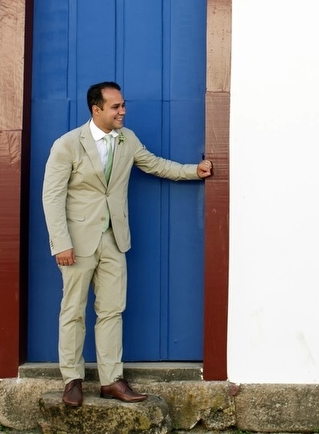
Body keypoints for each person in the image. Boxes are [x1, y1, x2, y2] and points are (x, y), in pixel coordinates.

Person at [42, 81, 212, 407]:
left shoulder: (126, 139)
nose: (123, 111)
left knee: (111, 311)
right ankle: (72, 380)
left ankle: (111, 380)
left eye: (123, 105)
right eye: (115, 107)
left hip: (115, 240)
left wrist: (194, 171)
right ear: (96, 109)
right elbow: (52, 197)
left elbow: (155, 164)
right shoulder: (67, 145)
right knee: (73, 311)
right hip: (77, 243)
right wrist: (60, 242)